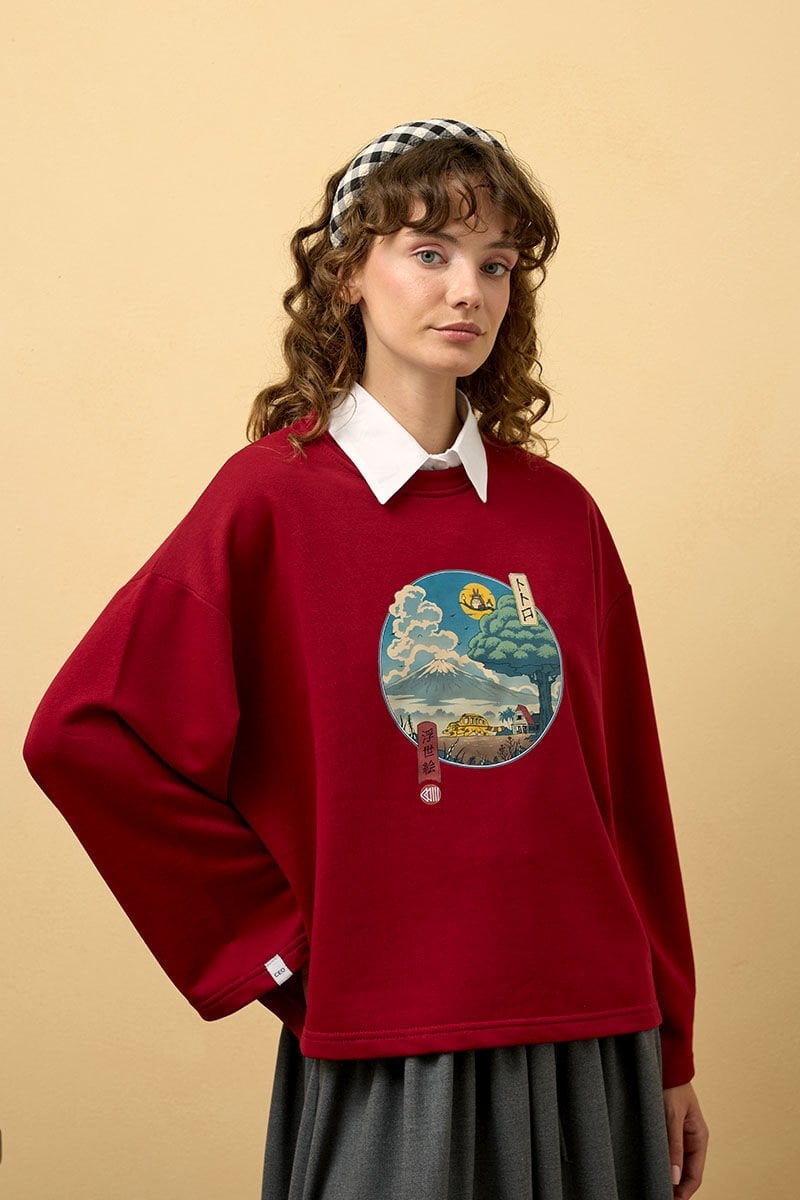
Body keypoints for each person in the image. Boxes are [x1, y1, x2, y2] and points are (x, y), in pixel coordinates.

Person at [22, 119, 709, 1199]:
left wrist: (670, 1044)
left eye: (495, 265)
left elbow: (627, 795)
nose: (466, 291)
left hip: (593, 1027)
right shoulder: (269, 501)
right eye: (429, 253)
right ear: (347, 273)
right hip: (391, 1029)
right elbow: (84, 734)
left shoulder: (558, 514)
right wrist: (275, 943)